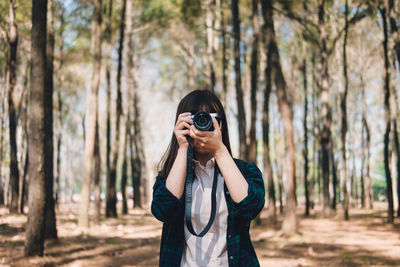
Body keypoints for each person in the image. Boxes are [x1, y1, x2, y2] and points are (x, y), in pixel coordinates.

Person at [151, 89, 265, 267]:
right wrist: (182, 148)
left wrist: (220, 151)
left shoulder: (244, 171)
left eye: (208, 119)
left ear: (221, 124)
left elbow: (251, 208)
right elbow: (163, 211)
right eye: (194, 120)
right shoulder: (170, 174)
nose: (201, 125)